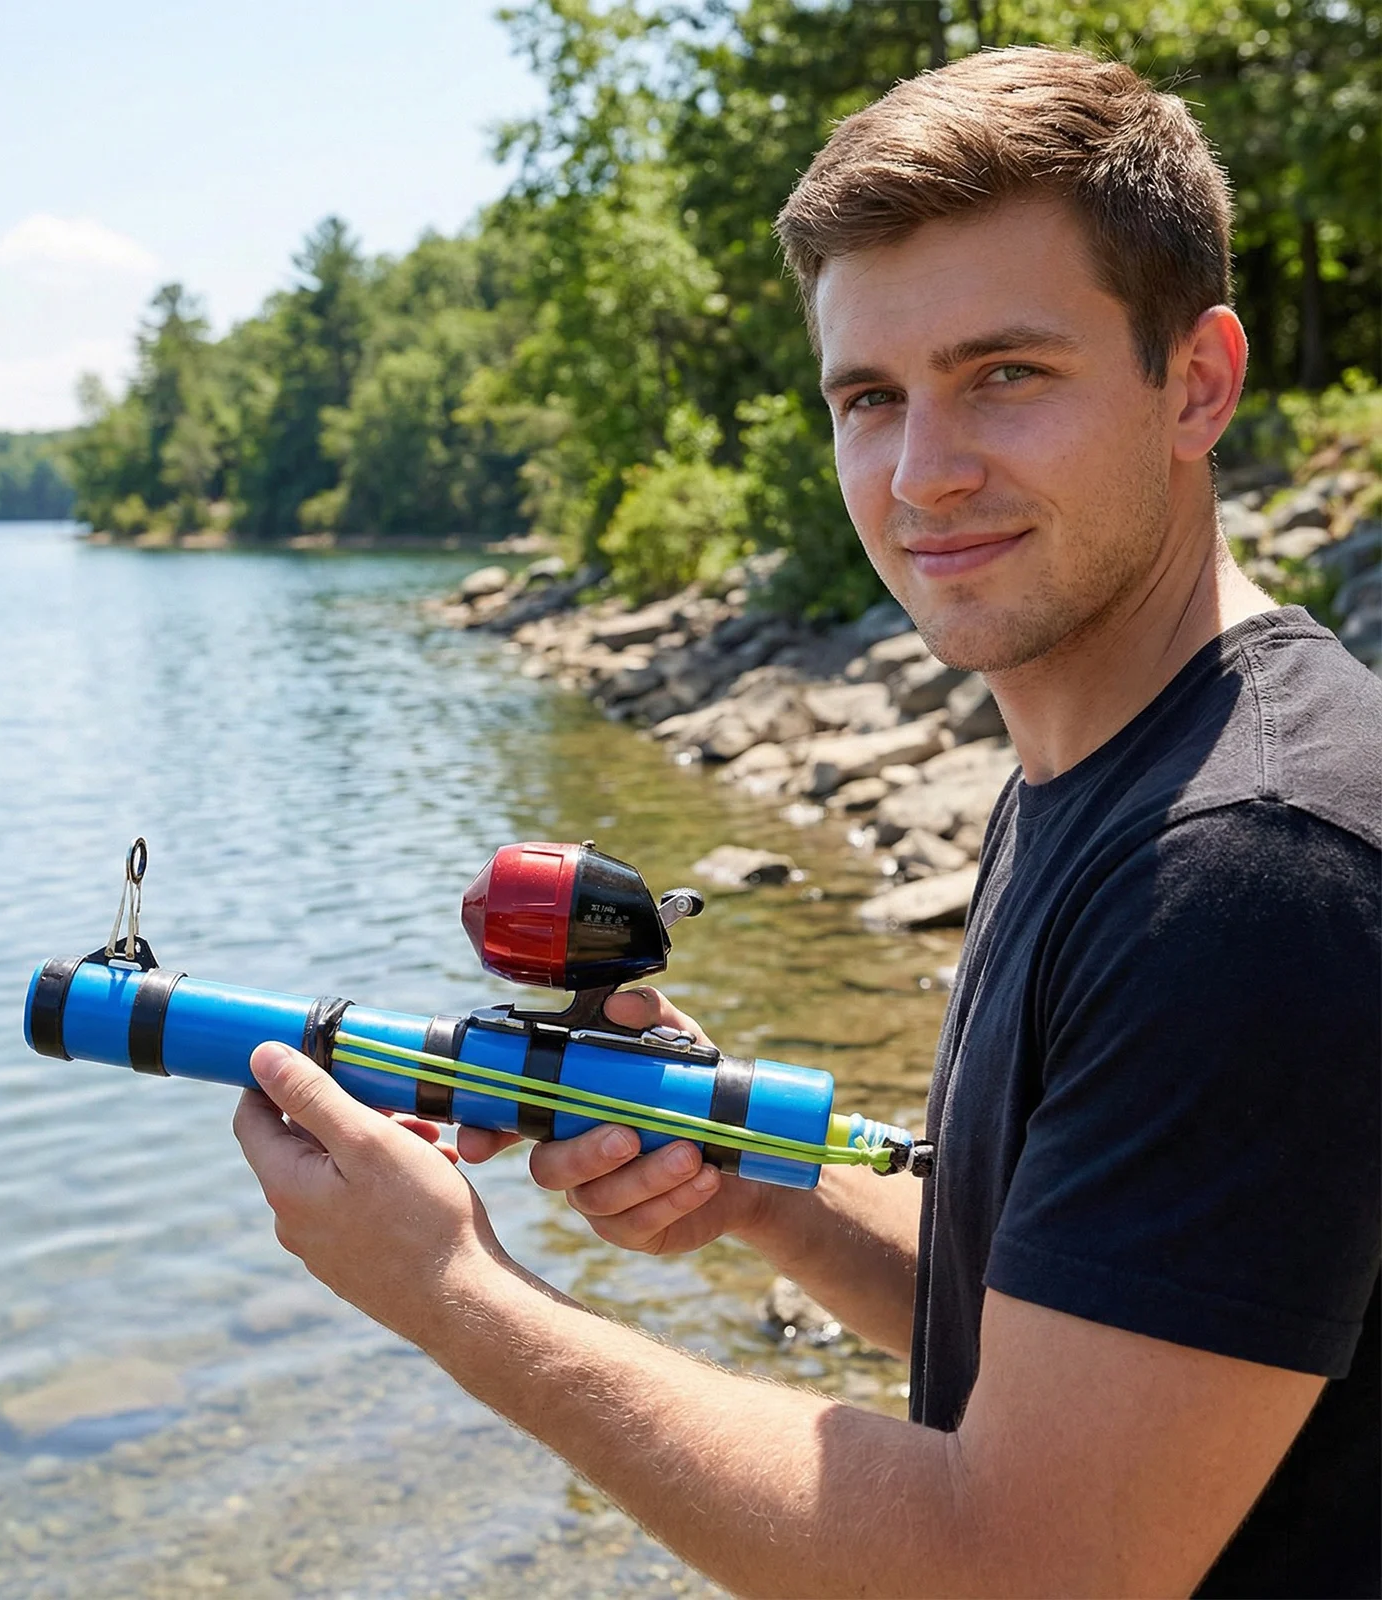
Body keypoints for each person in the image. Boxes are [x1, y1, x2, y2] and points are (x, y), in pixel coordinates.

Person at [234, 47, 1381, 1599]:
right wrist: (758, 1176)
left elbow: (1023, 1567)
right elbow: (1092, 1317)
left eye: (1007, 374)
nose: (923, 473)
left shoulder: (1253, 861)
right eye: (869, 397)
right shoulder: (1111, 778)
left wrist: (456, 1294)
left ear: (1198, 380)